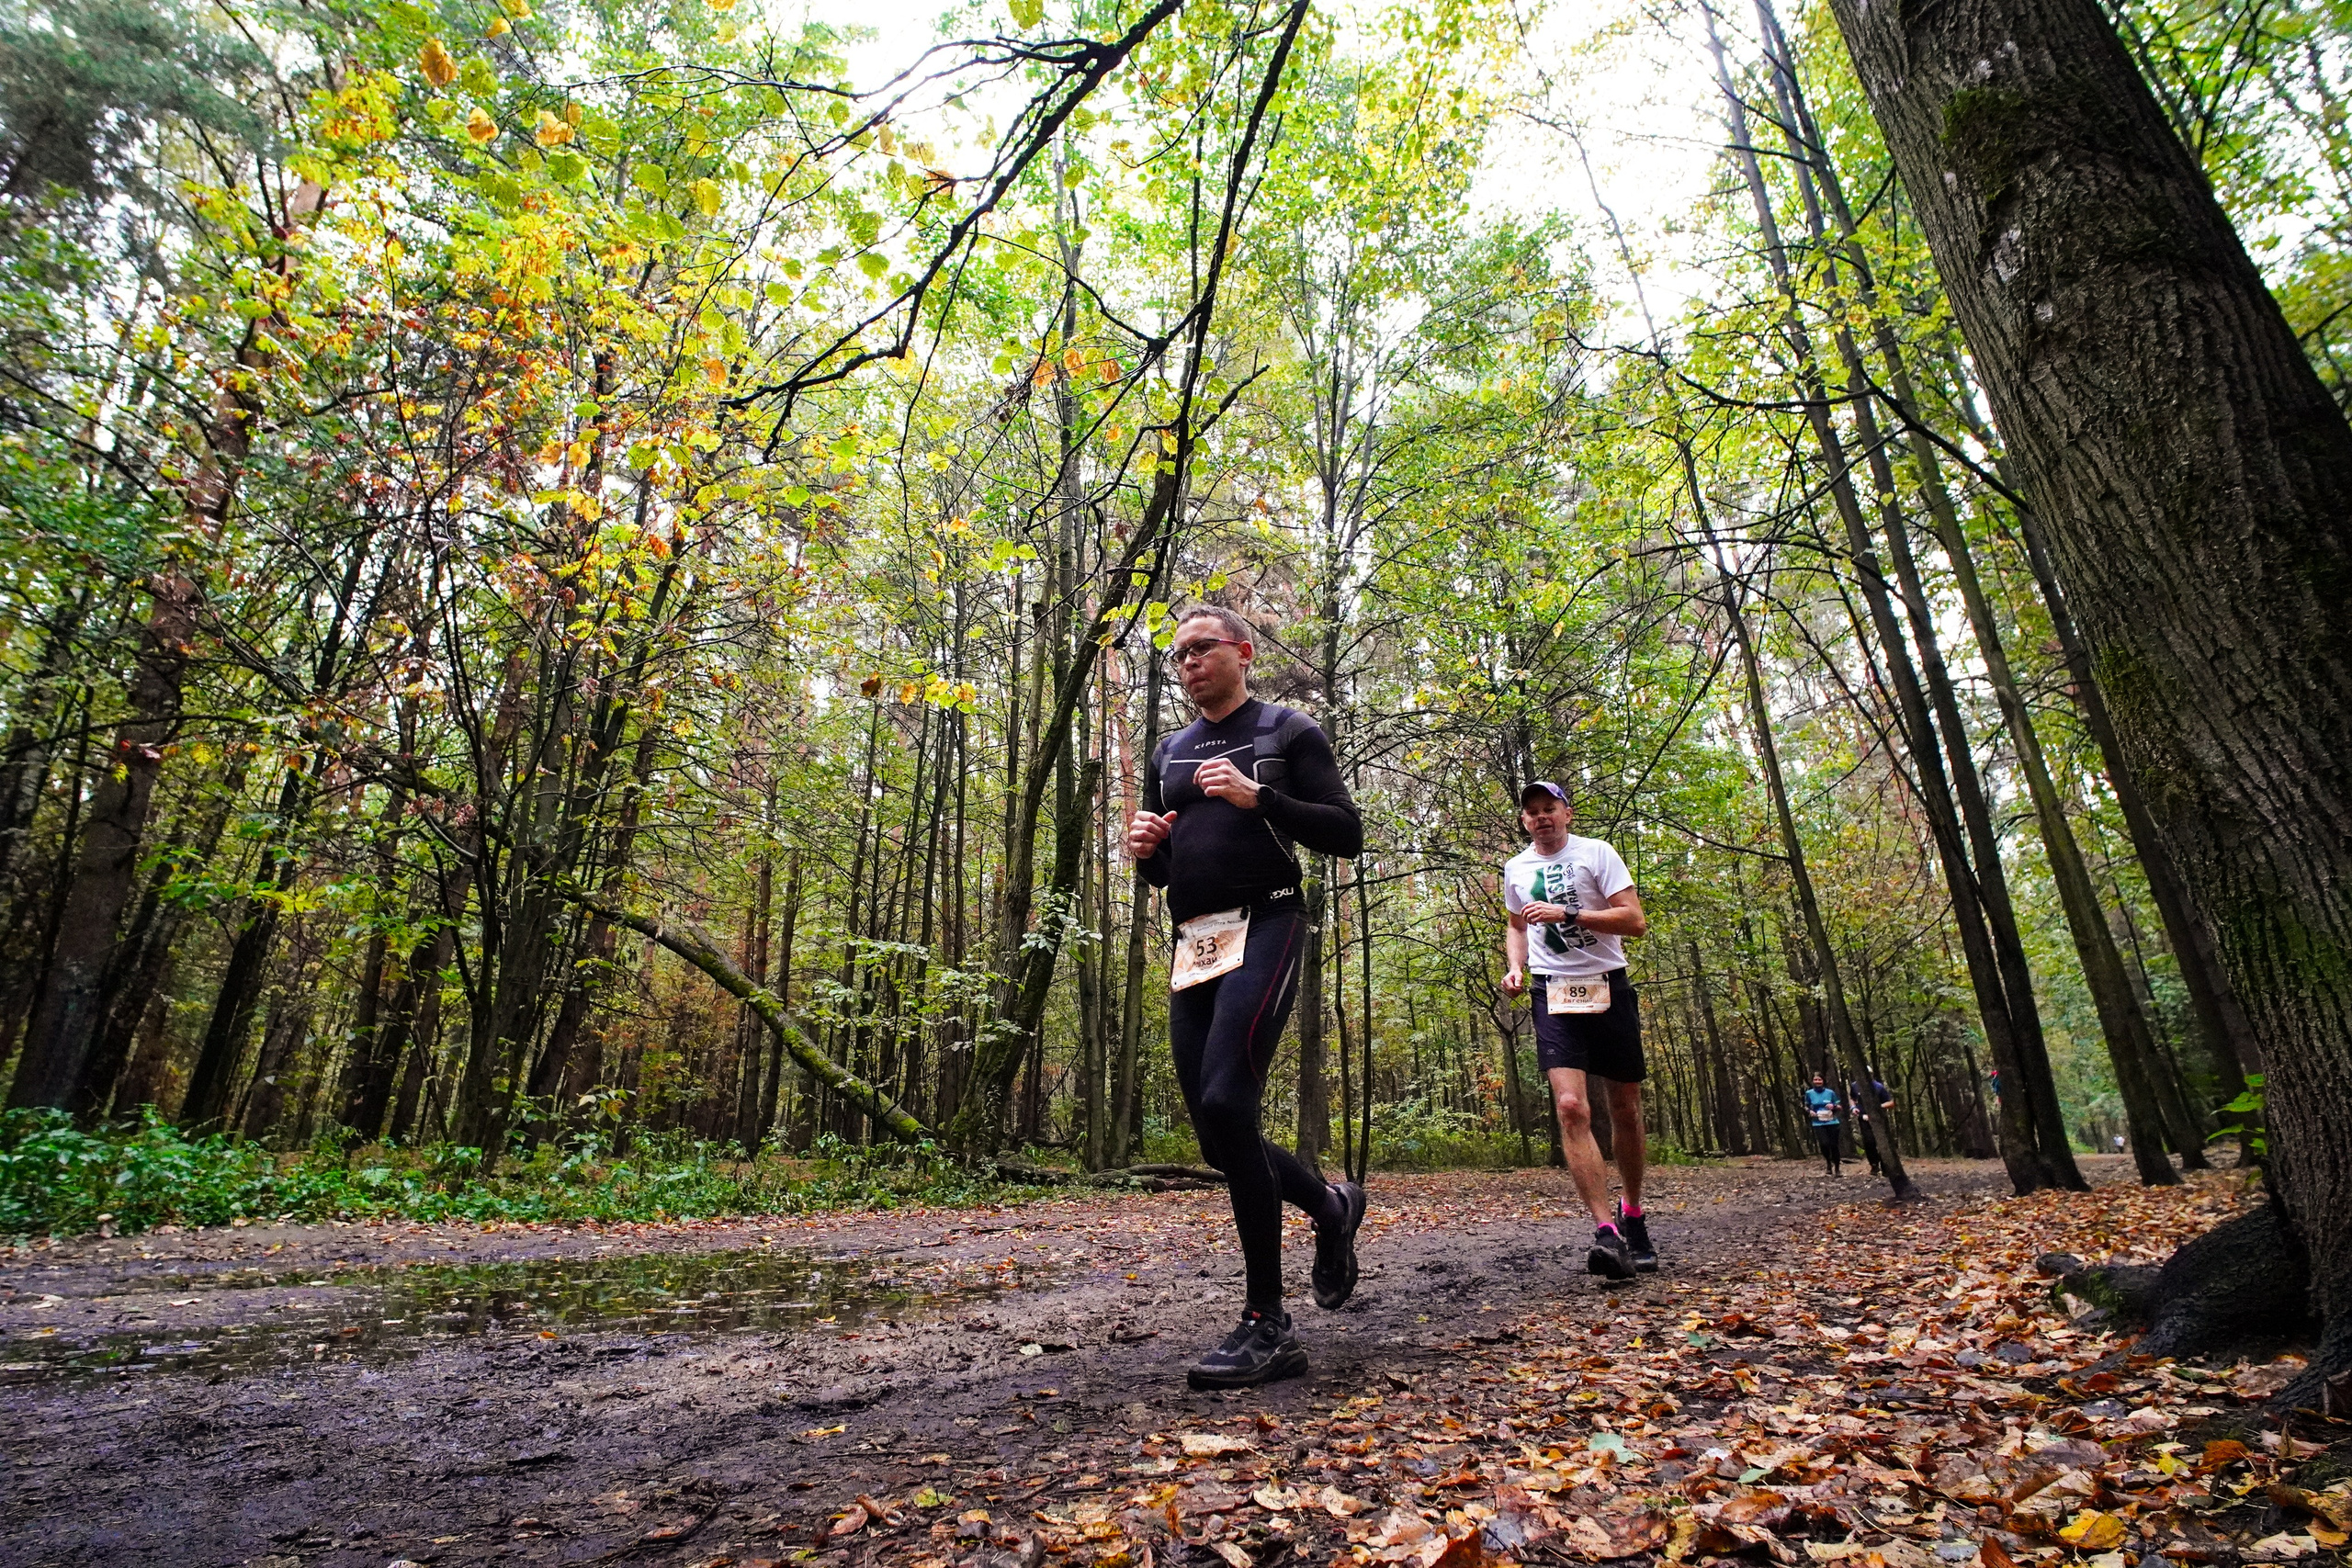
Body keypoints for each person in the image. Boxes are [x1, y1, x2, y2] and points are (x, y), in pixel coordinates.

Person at [1124, 605, 1369, 1390]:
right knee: (1214, 1135)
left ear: (1242, 652)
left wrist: (1259, 798)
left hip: (1268, 922)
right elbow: (1171, 870)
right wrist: (1147, 855)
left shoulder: (1286, 731)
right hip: (1196, 940)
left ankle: (1269, 1320)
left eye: (1202, 648)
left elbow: (1345, 832)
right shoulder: (1168, 750)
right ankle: (1330, 1207)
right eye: (1178, 656)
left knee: (1231, 1102)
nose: (1189, 663)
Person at [1500, 779, 1654, 1280]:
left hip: (1608, 984)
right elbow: (1517, 924)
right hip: (1553, 992)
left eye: (1550, 808)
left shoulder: (1598, 853)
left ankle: (1633, 1214)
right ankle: (1605, 1233)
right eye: (1532, 812)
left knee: (1625, 1110)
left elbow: (1634, 921)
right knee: (1571, 1108)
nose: (1541, 817)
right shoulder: (1517, 868)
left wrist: (1568, 912)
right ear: (1524, 822)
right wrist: (1516, 967)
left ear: (1567, 813)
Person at [1847, 1069, 1893, 1178]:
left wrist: (1878, 1107)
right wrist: (1853, 1107)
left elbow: (1891, 1102)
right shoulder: (1855, 1086)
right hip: (1864, 1118)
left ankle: (1885, 1167)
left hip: (1878, 1120)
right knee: (1869, 1142)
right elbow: (1852, 1098)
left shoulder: (1879, 1087)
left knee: (1881, 1143)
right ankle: (1874, 1165)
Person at [1804, 1073, 1844, 1176]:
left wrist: (1833, 1105)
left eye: (1819, 1080)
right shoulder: (1809, 1093)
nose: (1817, 1082)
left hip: (1832, 1121)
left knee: (1834, 1145)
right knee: (1824, 1144)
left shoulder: (1830, 1093)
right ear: (1812, 1081)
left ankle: (1837, 1169)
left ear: (1823, 1081)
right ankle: (1828, 1163)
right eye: (1815, 1080)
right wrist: (1810, 1112)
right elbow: (1806, 1106)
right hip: (1818, 1123)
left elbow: (1840, 1106)